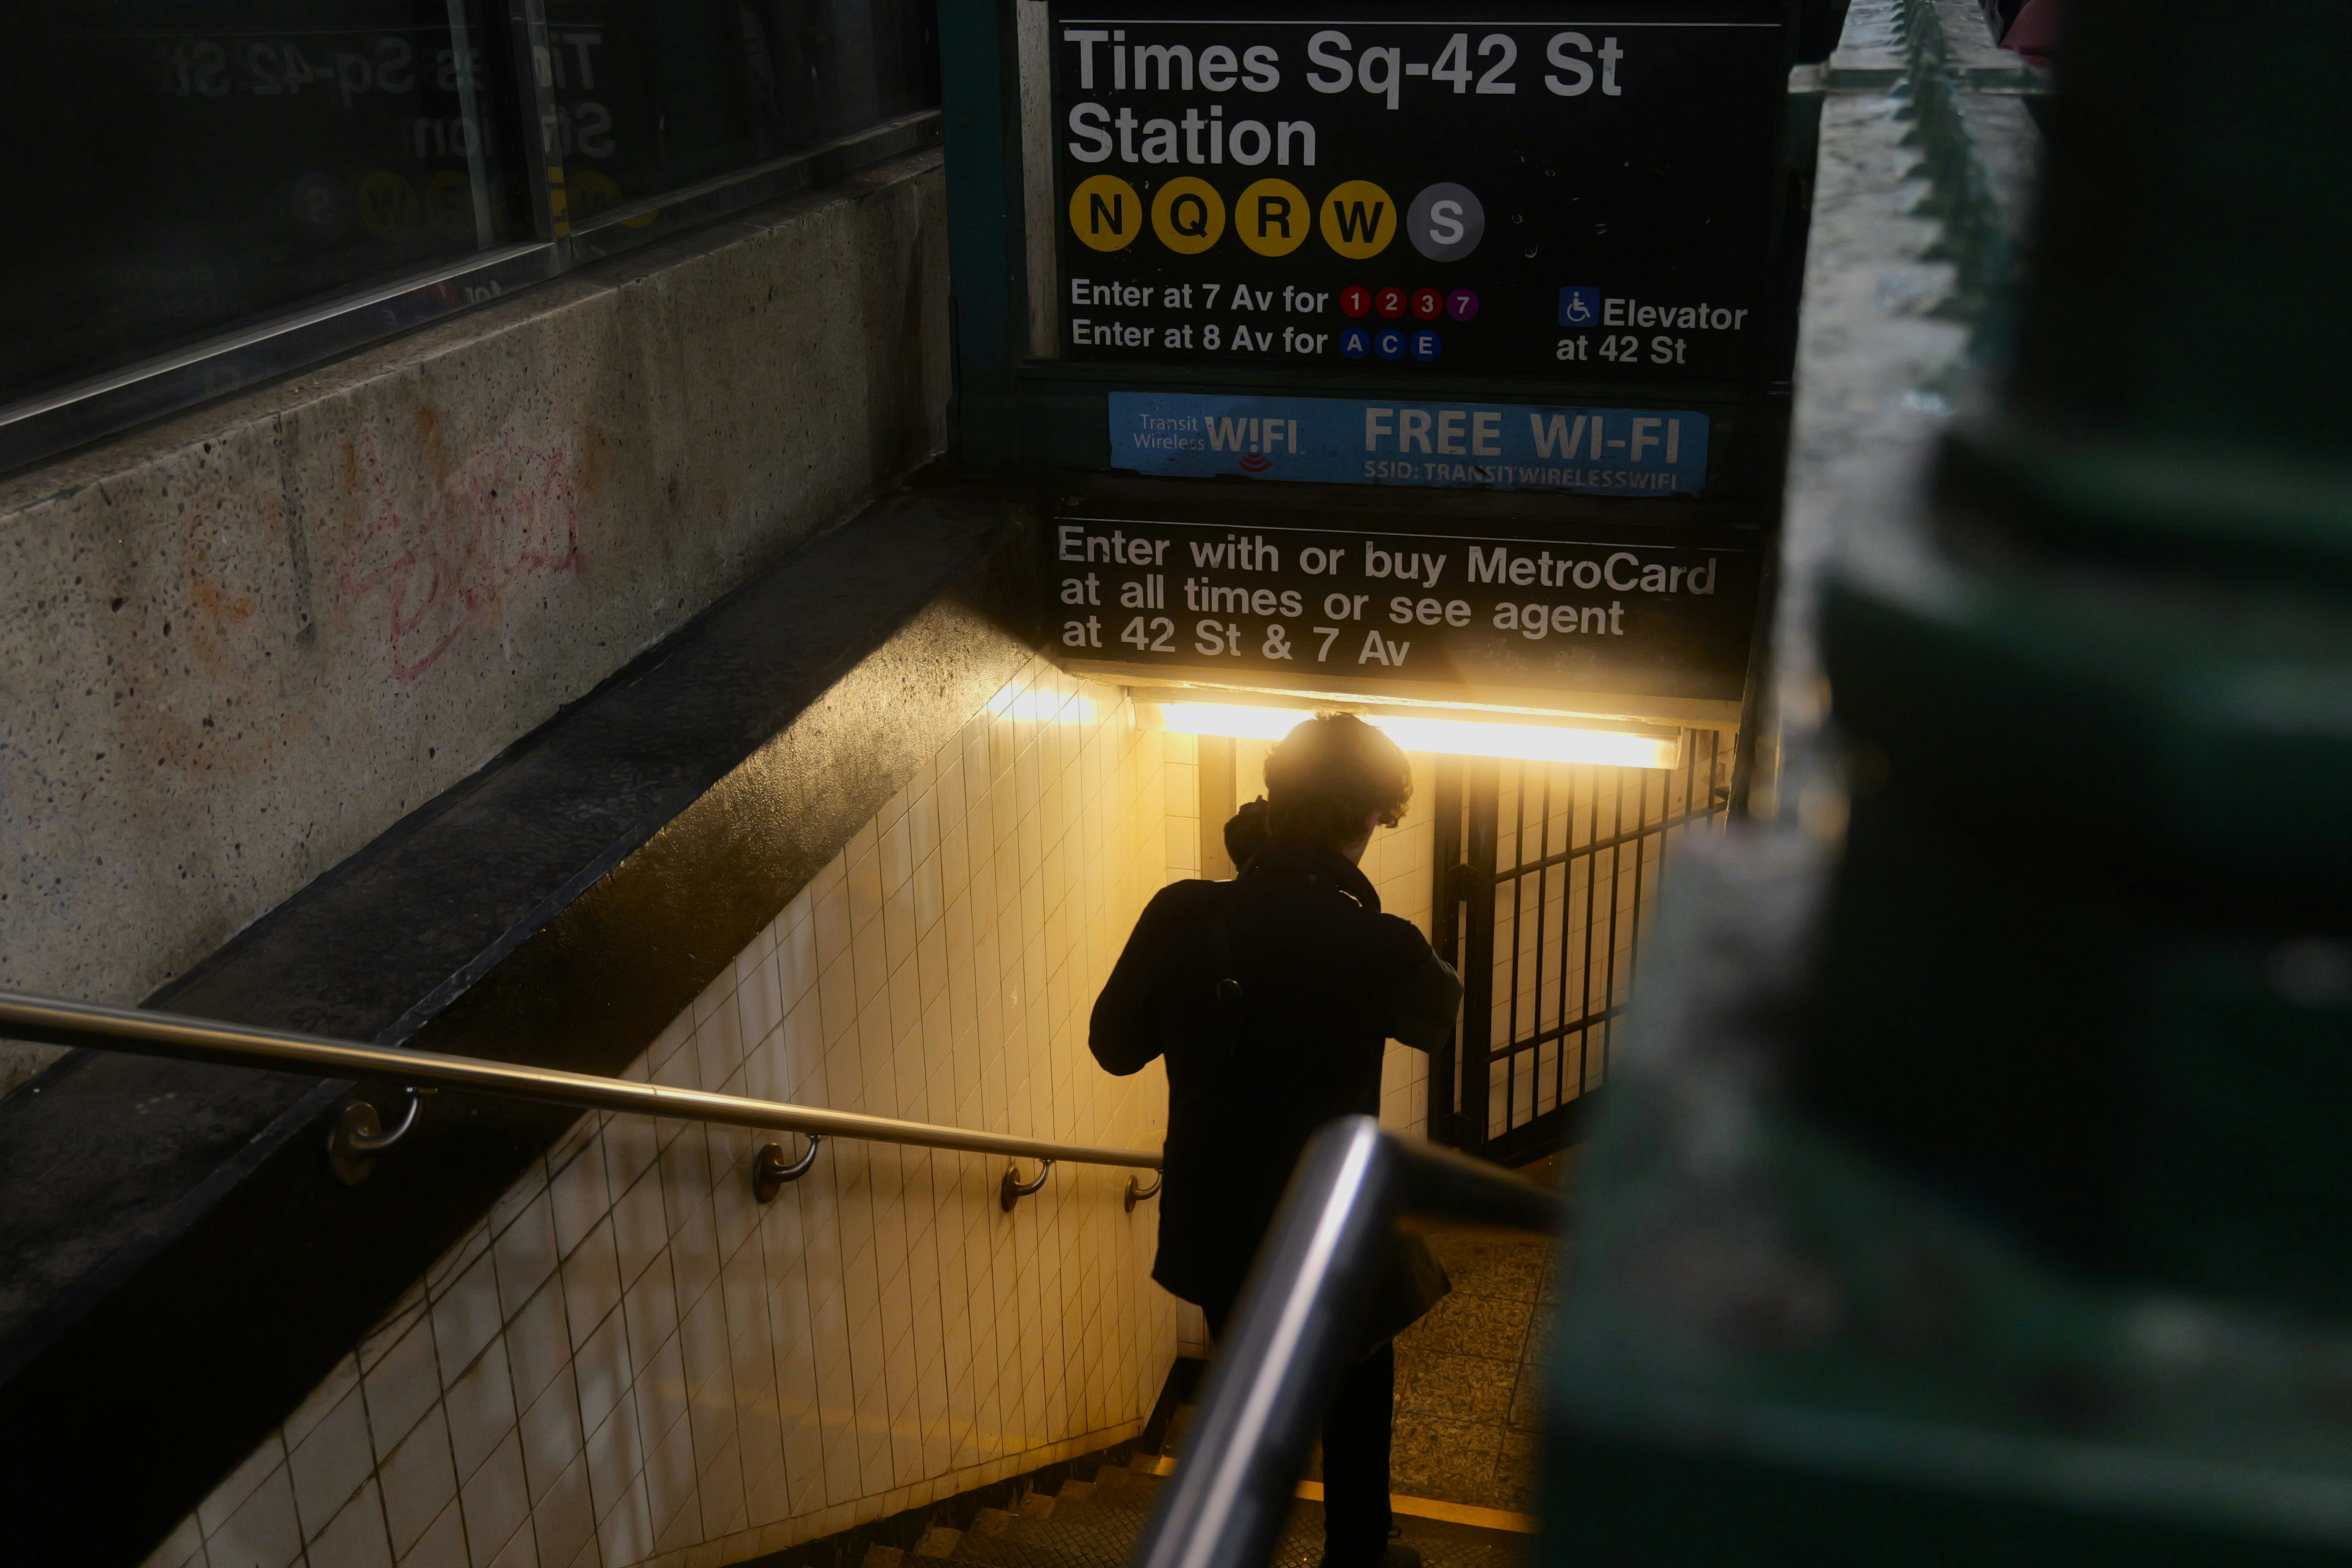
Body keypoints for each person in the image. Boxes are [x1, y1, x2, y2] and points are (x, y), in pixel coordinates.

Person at [1091, 715, 1465, 1568]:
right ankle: (1357, 1553)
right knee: (1359, 1388)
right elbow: (1440, 1015)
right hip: (1331, 1226)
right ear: (1374, 817)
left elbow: (1114, 1046)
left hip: (1219, 1220)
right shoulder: (1380, 942)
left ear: (1273, 795)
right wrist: (1353, 904)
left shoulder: (1183, 911)